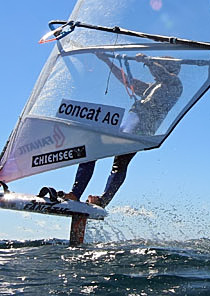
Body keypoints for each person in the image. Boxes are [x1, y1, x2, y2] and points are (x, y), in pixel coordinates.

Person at [66, 52, 183, 207]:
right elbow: (127, 81)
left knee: (119, 162)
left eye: (161, 64)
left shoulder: (175, 85)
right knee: (92, 149)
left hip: (141, 130)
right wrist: (108, 61)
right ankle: (76, 193)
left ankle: (101, 199)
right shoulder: (152, 87)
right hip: (128, 126)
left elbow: (164, 75)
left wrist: (149, 62)